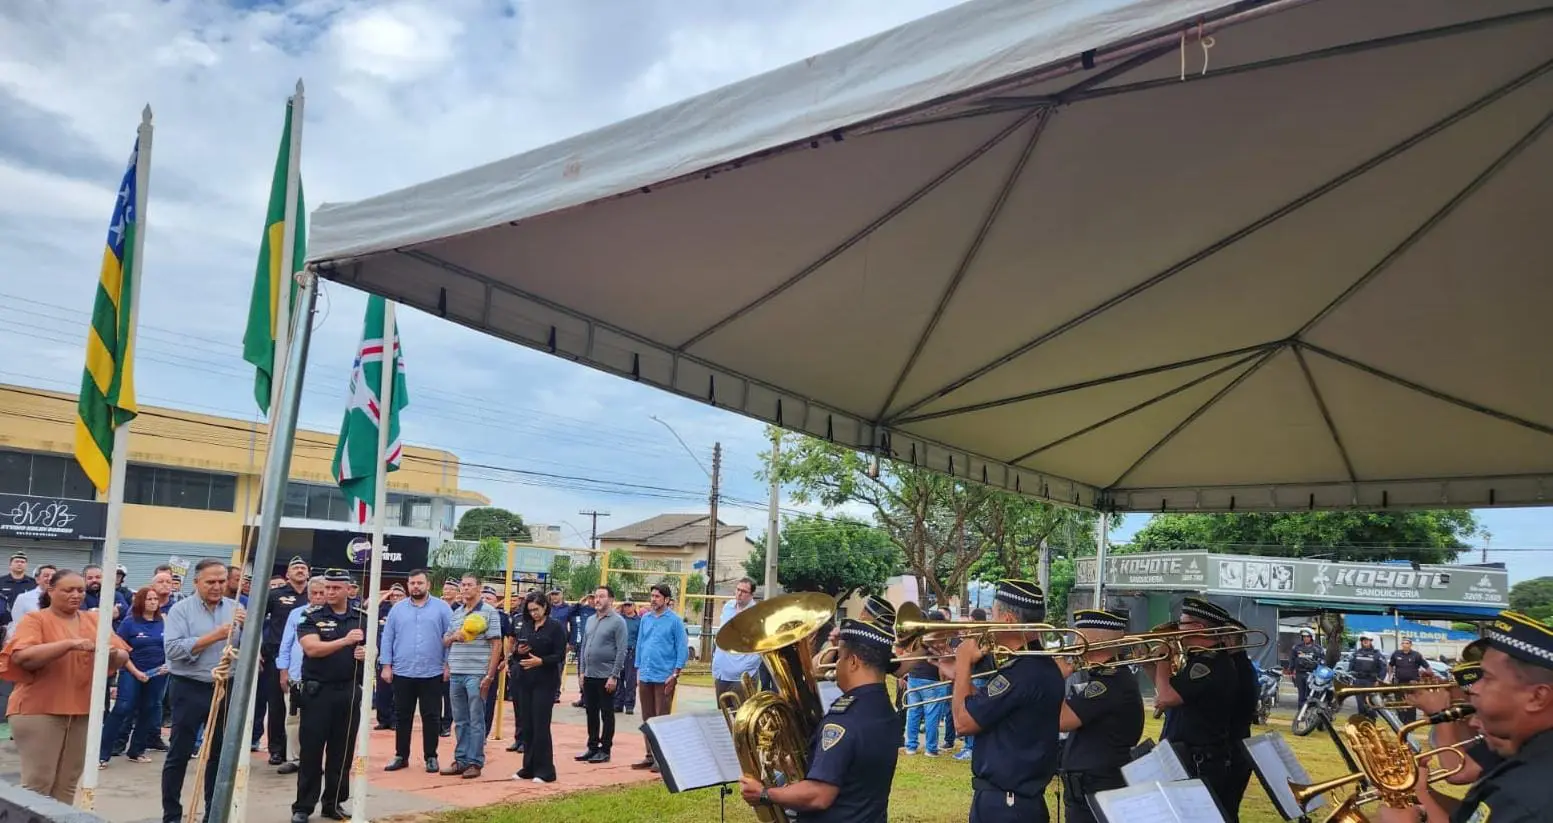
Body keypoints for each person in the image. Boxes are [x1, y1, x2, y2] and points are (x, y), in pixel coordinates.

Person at [1375, 611, 1553, 823]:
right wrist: (1420, 793)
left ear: (1538, 696)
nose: (1475, 687)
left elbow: (1459, 774)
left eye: (1487, 677)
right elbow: (1476, 814)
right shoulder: (1528, 758)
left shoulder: (1525, 792)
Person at [739, 618, 900, 822]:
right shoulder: (886, 710)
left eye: (840, 657)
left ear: (853, 662)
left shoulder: (843, 721)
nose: (836, 663)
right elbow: (855, 769)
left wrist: (764, 794)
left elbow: (819, 795)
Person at [0, 569, 130, 802]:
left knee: (67, 784)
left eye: (80, 590)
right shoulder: (36, 619)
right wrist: (69, 644)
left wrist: (113, 653)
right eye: (68, 590)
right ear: (50, 590)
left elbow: (121, 656)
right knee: (38, 784)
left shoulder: (94, 619)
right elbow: (23, 657)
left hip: (82, 710)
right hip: (39, 709)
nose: (76, 595)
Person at [951, 580, 1063, 823]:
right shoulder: (1038, 666)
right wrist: (962, 677)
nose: (988, 622)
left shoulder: (1021, 673)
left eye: (993, 614)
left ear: (1009, 620)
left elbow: (963, 723)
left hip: (1006, 806)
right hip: (1016, 802)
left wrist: (962, 662)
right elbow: (980, 707)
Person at [1152, 597, 1251, 823]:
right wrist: (1152, 662)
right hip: (1191, 757)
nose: (1177, 628)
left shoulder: (1207, 664)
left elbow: (1167, 696)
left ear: (1198, 628)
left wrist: (1164, 657)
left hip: (1199, 763)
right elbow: (1165, 694)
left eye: (1181, 623)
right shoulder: (1200, 660)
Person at [161, 559, 244, 823]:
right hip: (189, 687)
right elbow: (172, 650)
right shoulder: (180, 610)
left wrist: (250, 628)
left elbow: (250, 649)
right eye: (211, 582)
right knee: (180, 752)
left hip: (225, 687)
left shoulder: (236, 608)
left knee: (219, 755)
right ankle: (172, 815)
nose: (217, 587)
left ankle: (213, 813)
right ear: (197, 582)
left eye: (222, 581)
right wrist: (215, 636)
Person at [291, 570, 367, 823]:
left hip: (348, 691)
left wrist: (367, 653)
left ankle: (333, 803)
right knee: (311, 751)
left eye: (336, 588)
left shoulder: (361, 618)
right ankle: (303, 806)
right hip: (318, 692)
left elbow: (373, 648)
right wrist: (345, 642)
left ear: (348, 589)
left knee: (341, 752)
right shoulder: (311, 615)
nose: (330, 593)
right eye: (327, 588)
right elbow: (312, 648)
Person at [1058, 609, 1143, 823]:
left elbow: (1062, 720)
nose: (1074, 642)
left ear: (1093, 641)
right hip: (1090, 788)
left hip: (1097, 790)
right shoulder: (1103, 676)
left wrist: (1057, 678)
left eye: (1078, 636)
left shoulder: (1108, 681)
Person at [381, 569, 451, 774]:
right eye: (412, 583)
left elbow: (451, 637)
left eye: (420, 583)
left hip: (433, 671)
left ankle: (431, 756)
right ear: (407, 585)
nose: (416, 587)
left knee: (431, 716)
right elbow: (387, 638)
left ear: (428, 584)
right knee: (402, 715)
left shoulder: (442, 608)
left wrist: (448, 664)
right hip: (403, 671)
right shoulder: (397, 610)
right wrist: (386, 665)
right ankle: (401, 755)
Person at [440, 573, 503, 779]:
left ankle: (475, 761)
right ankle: (461, 759)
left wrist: (490, 675)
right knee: (459, 720)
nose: (465, 588)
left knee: (476, 719)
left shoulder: (489, 612)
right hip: (457, 670)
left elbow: (496, 644)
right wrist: (452, 638)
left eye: (469, 585)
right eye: (463, 585)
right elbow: (445, 640)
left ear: (479, 588)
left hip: (477, 672)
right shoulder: (457, 612)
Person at [100, 586, 168, 766]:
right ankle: (102, 753)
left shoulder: (164, 622)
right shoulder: (129, 623)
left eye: (155, 599)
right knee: (123, 707)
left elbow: (170, 646)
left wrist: (166, 666)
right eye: (149, 599)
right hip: (131, 671)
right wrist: (136, 672)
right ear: (141, 602)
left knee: (149, 709)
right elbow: (120, 650)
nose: (153, 602)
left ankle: (136, 750)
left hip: (157, 673)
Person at [630, 583, 688, 773]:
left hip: (664, 676)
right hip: (646, 674)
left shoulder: (675, 621)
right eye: (652, 596)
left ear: (666, 600)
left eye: (657, 596)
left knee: (661, 718)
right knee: (647, 717)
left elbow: (682, 648)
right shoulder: (645, 618)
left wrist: (675, 673)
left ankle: (662, 759)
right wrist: (638, 670)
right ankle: (649, 755)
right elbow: (640, 644)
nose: (653, 599)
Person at [261, 556, 311, 765]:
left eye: (303, 567)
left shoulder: (315, 594)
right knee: (276, 706)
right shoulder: (275, 595)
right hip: (276, 658)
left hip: (306, 658)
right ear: (287, 574)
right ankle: (276, 749)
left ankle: (301, 751)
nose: (300, 570)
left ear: (308, 572)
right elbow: (256, 622)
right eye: (295, 567)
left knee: (302, 708)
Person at [512, 591, 567, 784]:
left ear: (545, 607)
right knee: (527, 724)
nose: (534, 613)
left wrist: (541, 661)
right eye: (530, 610)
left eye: (537, 609)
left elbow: (560, 656)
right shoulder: (526, 626)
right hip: (525, 680)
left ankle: (545, 770)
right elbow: (517, 652)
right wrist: (519, 651)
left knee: (541, 725)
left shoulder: (556, 627)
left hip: (545, 681)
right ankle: (529, 766)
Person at [275, 575, 326, 775]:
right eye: (315, 593)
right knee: (293, 719)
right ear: (308, 594)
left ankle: (315, 761)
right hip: (296, 675)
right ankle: (294, 759)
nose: (319, 597)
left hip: (322, 678)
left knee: (319, 721)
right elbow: (286, 644)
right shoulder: (296, 614)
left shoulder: (333, 615)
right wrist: (283, 671)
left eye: (322, 593)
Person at [577, 584, 627, 763]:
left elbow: (621, 651)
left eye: (602, 596)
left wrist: (614, 675)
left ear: (611, 600)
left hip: (606, 676)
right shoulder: (590, 620)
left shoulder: (618, 622)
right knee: (591, 712)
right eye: (596, 596)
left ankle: (605, 750)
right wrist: (582, 671)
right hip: (589, 675)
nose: (597, 600)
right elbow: (584, 646)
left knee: (606, 713)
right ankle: (592, 747)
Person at [903, 611, 950, 756]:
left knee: (913, 712)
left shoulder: (919, 634)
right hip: (931, 678)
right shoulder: (939, 636)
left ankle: (910, 746)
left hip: (914, 675)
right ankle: (931, 749)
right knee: (932, 715)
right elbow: (944, 655)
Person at [712, 578, 762, 700]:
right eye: (738, 589)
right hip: (721, 674)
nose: (739, 594)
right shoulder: (728, 607)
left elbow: (761, 646)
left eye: (744, 591)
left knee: (740, 716)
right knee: (723, 715)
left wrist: (745, 668)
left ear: (751, 595)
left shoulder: (757, 614)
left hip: (741, 677)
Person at [1388, 636, 1428, 724]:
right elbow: (1390, 665)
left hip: (1412, 684)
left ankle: (1410, 722)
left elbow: (1427, 667)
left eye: (1407, 643)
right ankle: (1400, 722)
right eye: (1403, 643)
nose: (1405, 645)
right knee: (1399, 703)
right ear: (1401, 645)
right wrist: (1389, 677)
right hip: (1398, 683)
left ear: (1411, 645)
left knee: (1411, 703)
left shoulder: (1416, 655)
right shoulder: (1396, 653)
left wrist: (1423, 678)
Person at [1347, 633, 1387, 718]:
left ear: (1371, 641)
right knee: (1360, 704)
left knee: (1370, 704)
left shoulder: (1377, 654)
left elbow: (1383, 669)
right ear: (1361, 642)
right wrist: (1351, 679)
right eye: (1363, 640)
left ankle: (1372, 723)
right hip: (1358, 682)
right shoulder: (1356, 654)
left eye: (1367, 640)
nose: (1365, 641)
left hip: (1371, 682)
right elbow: (1350, 668)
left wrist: (1379, 680)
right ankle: (1362, 723)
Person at [567, 592, 596, 707]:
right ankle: (584, 697)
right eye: (590, 598)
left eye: (593, 598)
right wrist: (580, 601)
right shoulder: (582, 609)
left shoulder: (599, 611)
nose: (592, 600)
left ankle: (590, 699)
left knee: (591, 673)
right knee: (581, 672)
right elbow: (569, 612)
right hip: (581, 646)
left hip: (594, 646)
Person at [613, 600, 640, 715]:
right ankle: (618, 703)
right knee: (618, 679)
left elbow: (640, 638)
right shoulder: (619, 619)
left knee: (630, 680)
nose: (627, 608)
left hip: (631, 652)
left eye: (629, 605)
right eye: (625, 605)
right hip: (619, 651)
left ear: (634, 606)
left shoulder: (639, 621)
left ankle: (629, 705)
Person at [1289, 628, 1322, 709]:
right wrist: (1292, 672)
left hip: (1312, 674)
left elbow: (1322, 662)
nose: (1305, 638)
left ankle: (1310, 713)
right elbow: (1292, 660)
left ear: (1311, 637)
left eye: (1307, 636)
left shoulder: (1317, 648)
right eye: (1304, 636)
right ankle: (1301, 713)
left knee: (1311, 694)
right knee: (1301, 695)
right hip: (1299, 674)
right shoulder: (1296, 647)